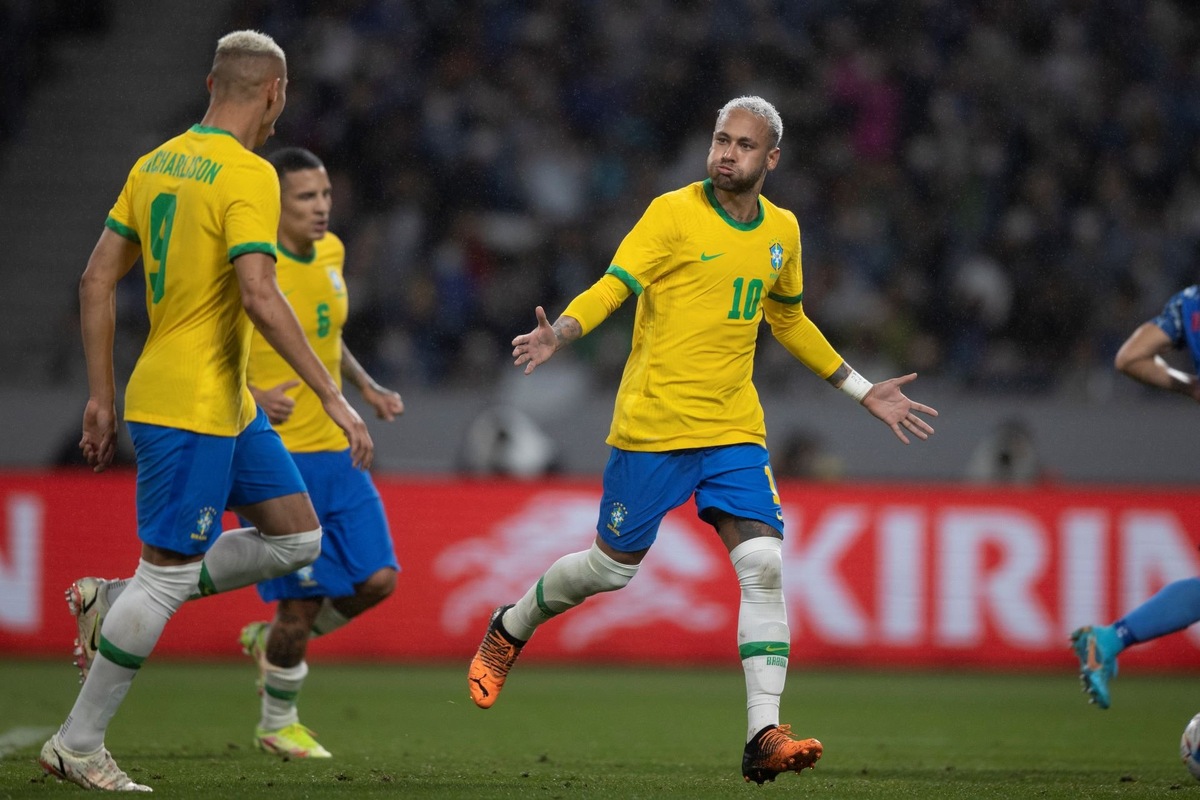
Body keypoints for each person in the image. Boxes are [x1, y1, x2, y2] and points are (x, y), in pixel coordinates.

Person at [466, 95, 938, 785]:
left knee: (765, 565)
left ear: (771, 159)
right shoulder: (672, 214)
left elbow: (789, 319)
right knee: (609, 570)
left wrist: (863, 390)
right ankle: (510, 625)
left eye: (744, 145)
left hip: (732, 430)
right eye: (721, 139)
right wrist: (559, 333)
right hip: (653, 427)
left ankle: (762, 735)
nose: (727, 153)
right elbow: (613, 287)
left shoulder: (783, 231)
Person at [39, 30, 373, 793]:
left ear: (210, 85)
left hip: (220, 399)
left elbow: (96, 280)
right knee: (166, 578)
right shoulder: (250, 173)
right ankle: (77, 744)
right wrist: (331, 394)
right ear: (274, 93)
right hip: (190, 402)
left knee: (297, 538)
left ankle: (111, 600)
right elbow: (260, 293)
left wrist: (101, 395)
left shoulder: (154, 163)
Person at [236, 146, 403, 760]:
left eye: (326, 193)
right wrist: (251, 393)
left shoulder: (330, 252)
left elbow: (325, 336)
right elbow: (210, 340)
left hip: (338, 451)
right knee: (300, 607)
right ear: (275, 203)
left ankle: (272, 642)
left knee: (379, 580)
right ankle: (276, 724)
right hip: (278, 458)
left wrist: (365, 387)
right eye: (306, 196)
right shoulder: (254, 265)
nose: (321, 206)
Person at [1072, 284, 1200, 709]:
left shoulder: (1191, 302)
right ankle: (1110, 639)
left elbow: (1129, 358)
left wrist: (1190, 385)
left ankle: (1110, 639)